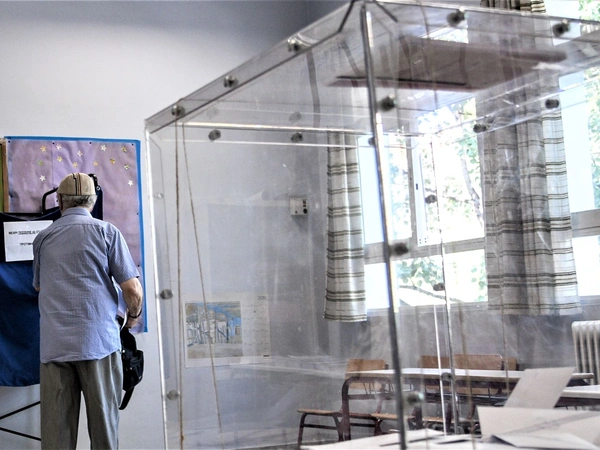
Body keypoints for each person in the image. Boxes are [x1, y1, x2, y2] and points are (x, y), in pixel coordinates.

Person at [32, 172, 143, 449]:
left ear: (59, 201)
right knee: (104, 431)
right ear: (92, 201)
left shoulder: (43, 238)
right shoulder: (107, 233)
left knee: (56, 438)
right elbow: (133, 289)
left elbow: (39, 287)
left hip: (55, 347)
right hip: (99, 345)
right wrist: (132, 317)